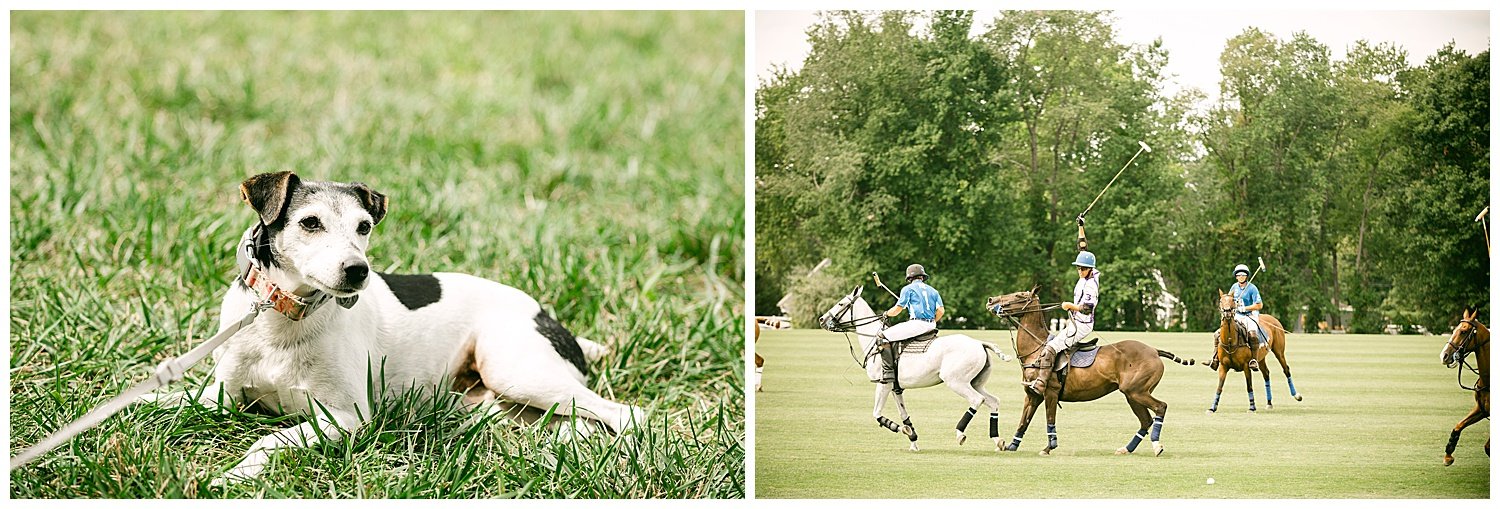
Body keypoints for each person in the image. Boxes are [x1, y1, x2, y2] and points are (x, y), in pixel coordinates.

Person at [1029, 216, 1099, 394]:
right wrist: (1081, 226)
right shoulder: (1087, 274)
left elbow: (1087, 308)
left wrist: (1070, 306)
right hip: (1075, 322)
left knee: (1051, 347)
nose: (1079, 270)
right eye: (1078, 268)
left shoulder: (1091, 284)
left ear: (1090, 269)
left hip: (1082, 324)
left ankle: (1041, 383)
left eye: (1082, 268)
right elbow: (1082, 248)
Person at [875, 264, 944, 390]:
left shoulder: (908, 289)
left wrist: (886, 313)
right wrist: (933, 320)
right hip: (931, 324)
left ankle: (888, 373)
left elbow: (897, 309)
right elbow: (941, 310)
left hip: (917, 324)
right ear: (923, 277)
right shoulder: (933, 291)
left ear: (909, 277)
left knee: (882, 336)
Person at [1229, 263, 1268, 370]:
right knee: (1222, 331)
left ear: (1246, 276)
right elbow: (1229, 301)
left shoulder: (1252, 288)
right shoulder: (1234, 287)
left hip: (1250, 315)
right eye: (1238, 275)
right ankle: (1215, 358)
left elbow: (1259, 305)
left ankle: (1254, 360)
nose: (1241, 277)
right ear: (1236, 276)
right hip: (1237, 314)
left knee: (1252, 334)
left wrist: (1245, 308)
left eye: (1243, 275)